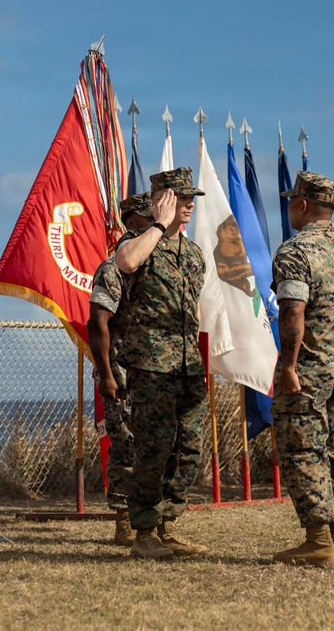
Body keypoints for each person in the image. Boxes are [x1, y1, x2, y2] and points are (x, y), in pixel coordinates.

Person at [269, 170, 334, 567]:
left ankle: (318, 542)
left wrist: (288, 367)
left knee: (302, 448)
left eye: (291, 202)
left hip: (308, 371)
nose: (288, 208)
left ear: (301, 205)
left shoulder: (294, 252)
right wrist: (331, 225)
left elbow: (292, 312)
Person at [114, 166, 208, 560]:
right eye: (181, 197)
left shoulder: (193, 253)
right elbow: (126, 263)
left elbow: (194, 308)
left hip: (188, 366)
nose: (189, 204)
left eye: (190, 198)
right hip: (151, 365)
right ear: (160, 200)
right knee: (152, 449)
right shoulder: (139, 241)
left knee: (188, 449)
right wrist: (158, 224)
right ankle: (144, 533)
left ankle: (167, 524)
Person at [88, 193, 155, 546]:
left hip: (154, 371)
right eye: (149, 217)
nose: (157, 223)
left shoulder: (156, 265)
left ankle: (154, 517)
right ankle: (124, 518)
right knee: (126, 444)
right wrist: (106, 375)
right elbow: (98, 322)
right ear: (132, 222)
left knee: (156, 444)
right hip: (122, 371)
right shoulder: (113, 267)